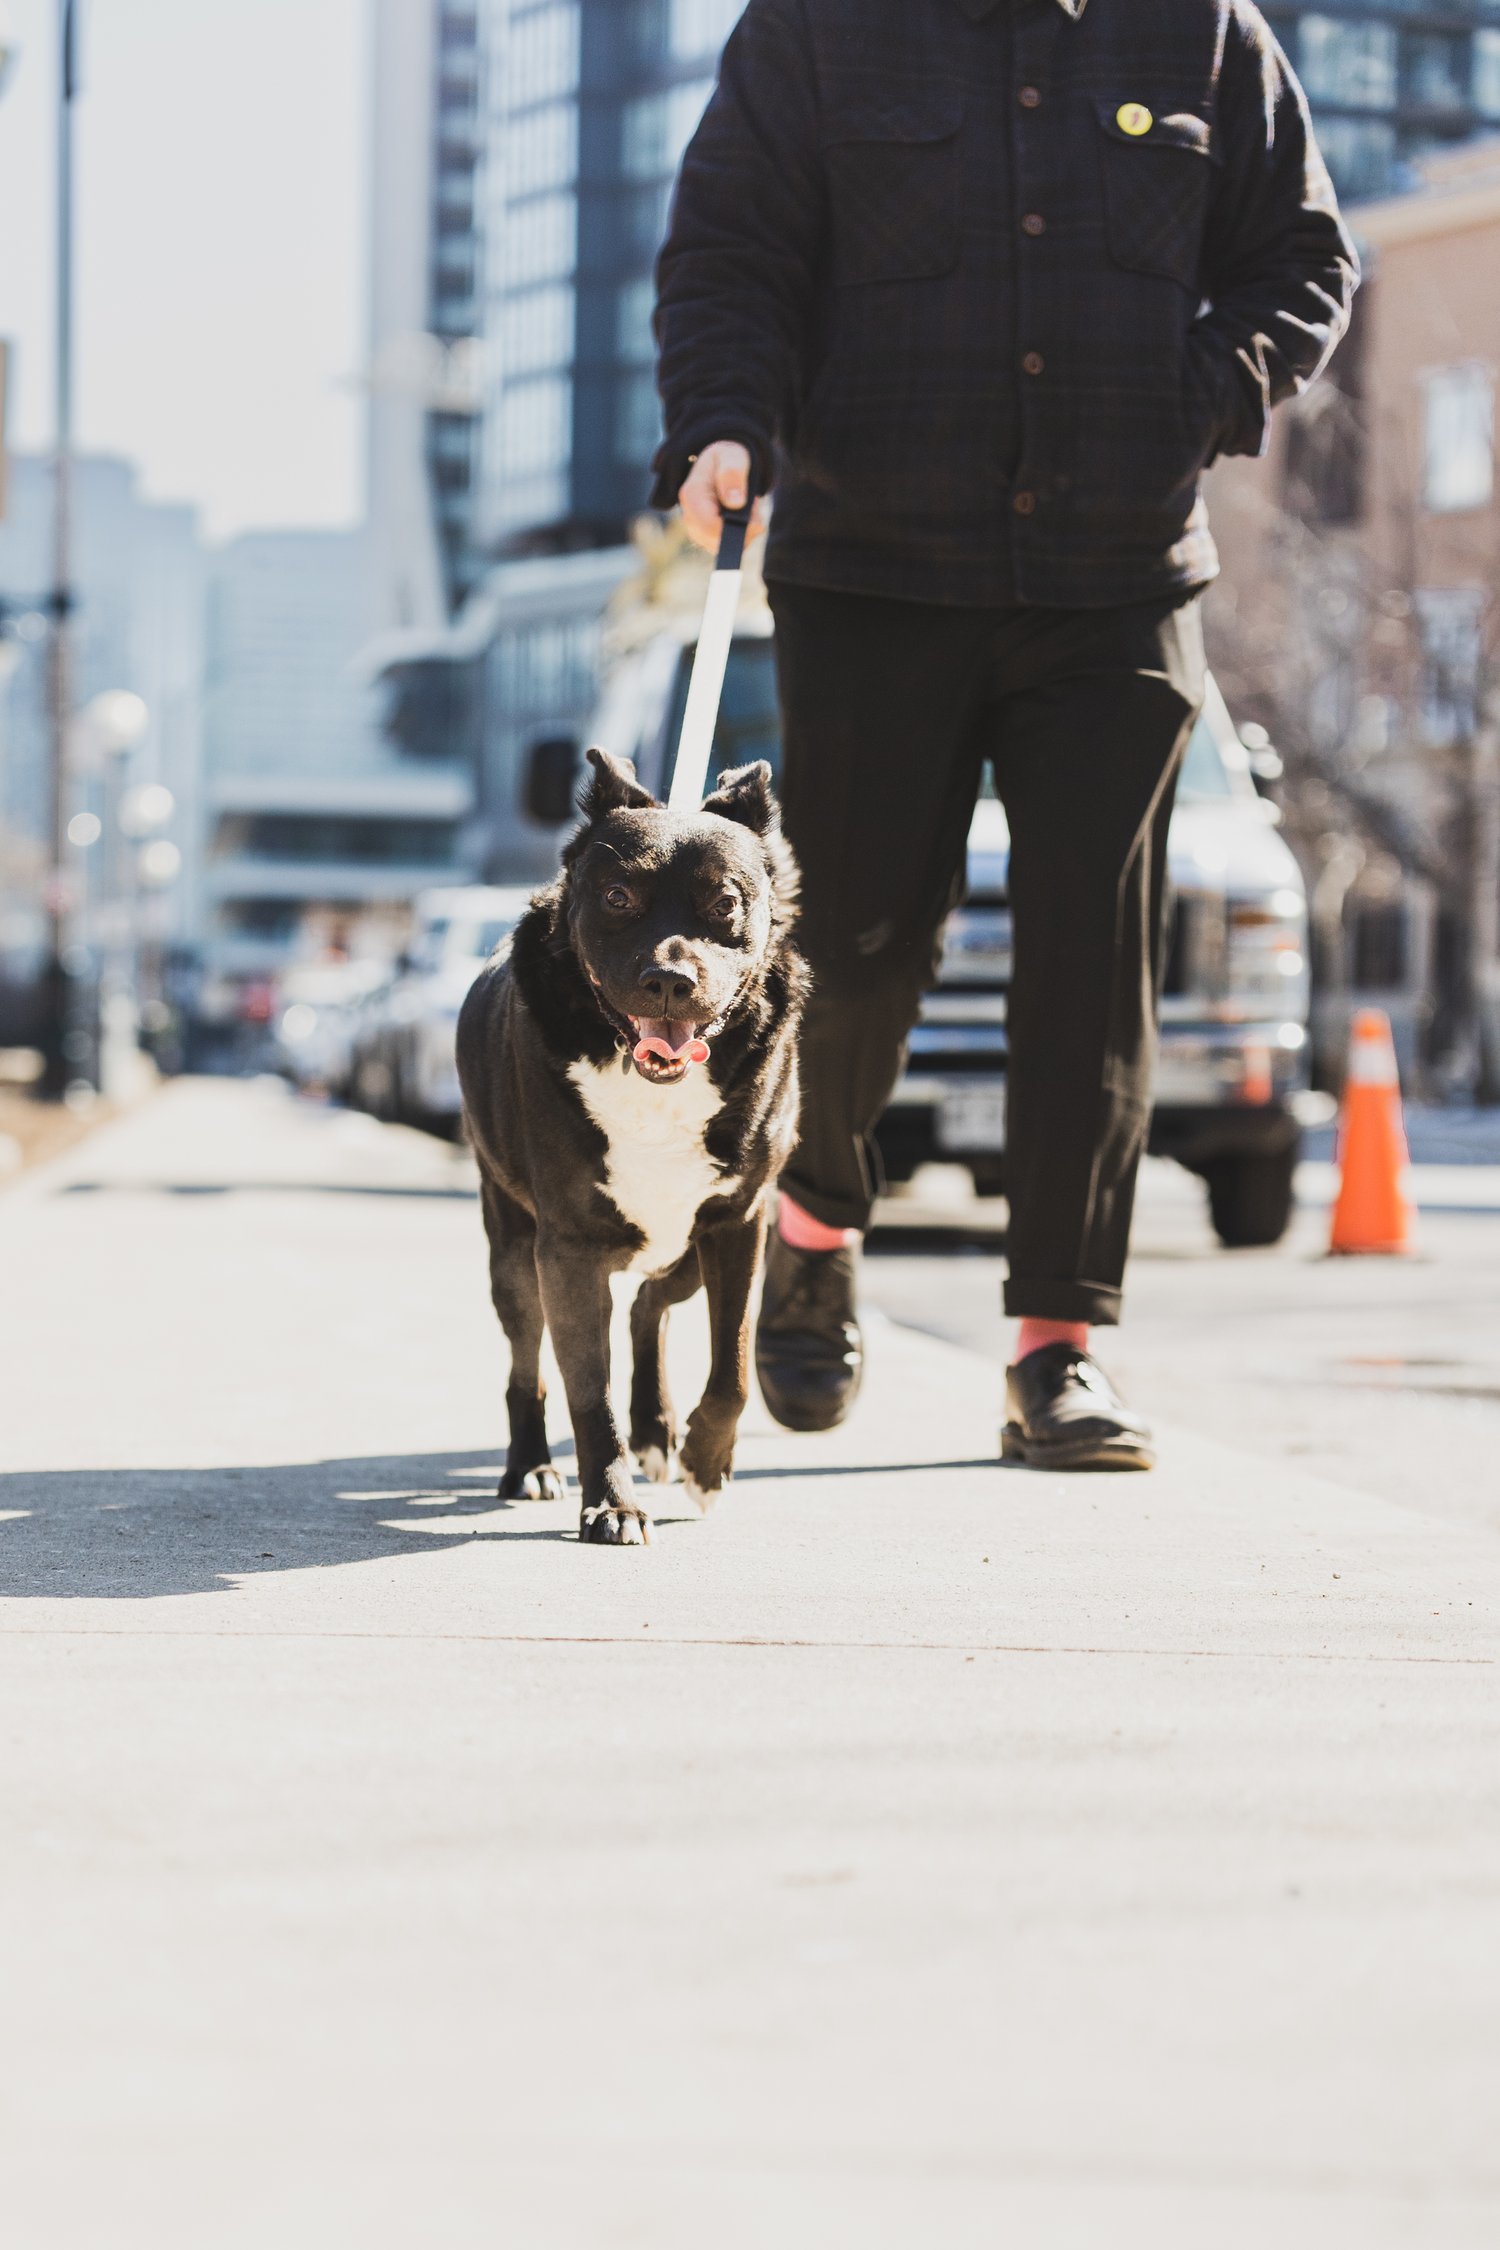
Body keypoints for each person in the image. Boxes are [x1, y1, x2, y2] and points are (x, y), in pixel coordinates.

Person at [651, 0, 1356, 1469]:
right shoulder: (819, 31)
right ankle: (818, 1211)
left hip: (1117, 580)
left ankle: (1058, 1348)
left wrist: (1206, 388)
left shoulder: (1203, 35)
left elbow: (1303, 256)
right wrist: (725, 420)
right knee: (851, 948)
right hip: (872, 571)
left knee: (1091, 971)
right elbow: (734, 249)